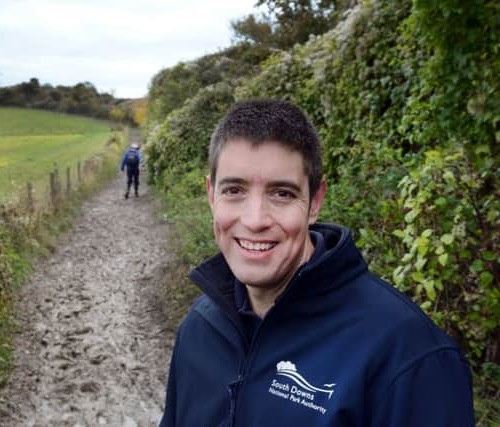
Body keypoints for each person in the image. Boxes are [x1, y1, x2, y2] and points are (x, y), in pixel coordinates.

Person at [159, 99, 475, 426]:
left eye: (282, 193)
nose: (255, 220)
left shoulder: (409, 356)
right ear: (212, 196)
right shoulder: (198, 329)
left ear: (315, 202)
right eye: (234, 190)